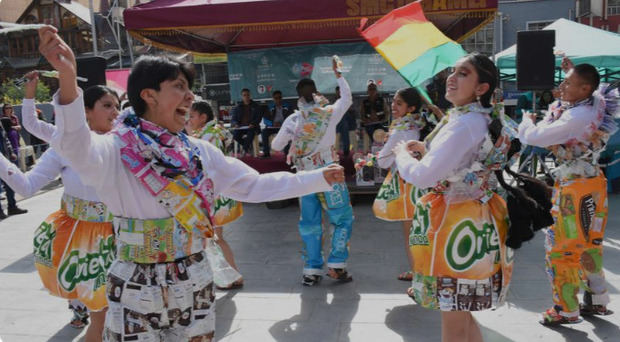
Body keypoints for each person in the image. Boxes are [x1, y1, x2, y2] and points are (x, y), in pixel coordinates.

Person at [38, 25, 345, 341]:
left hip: (195, 277)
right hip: (134, 282)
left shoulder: (199, 151)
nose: (190, 97)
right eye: (179, 87)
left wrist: (316, 178)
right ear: (149, 95)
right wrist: (67, 79)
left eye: (190, 89)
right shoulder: (114, 149)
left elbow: (252, 186)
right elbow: (75, 146)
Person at [393, 53, 514, 342]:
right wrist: (425, 147)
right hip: (468, 217)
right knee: (461, 306)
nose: (451, 77)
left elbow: (422, 176)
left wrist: (400, 155)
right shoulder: (473, 117)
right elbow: (458, 158)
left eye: (463, 73)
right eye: (453, 71)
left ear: (481, 88)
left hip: (456, 223)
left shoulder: (464, 123)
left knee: (454, 309)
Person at [4, 71, 119, 341]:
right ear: (84, 112)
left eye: (117, 105)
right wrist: (30, 95)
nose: (115, 112)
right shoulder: (64, 144)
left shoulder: (125, 142)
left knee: (124, 317)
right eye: (107, 105)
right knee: (101, 319)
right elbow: (27, 185)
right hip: (86, 247)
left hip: (126, 239)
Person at [518, 59, 616, 325]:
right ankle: (597, 299)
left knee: (563, 247)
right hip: (594, 183)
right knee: (590, 243)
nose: (562, 87)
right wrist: (570, 72)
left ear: (584, 88)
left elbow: (534, 137)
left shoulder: (576, 116)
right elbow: (588, 87)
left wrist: (527, 121)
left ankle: (566, 309)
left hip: (574, 189)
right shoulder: (595, 102)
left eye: (568, 83)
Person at [271, 57, 354, 286]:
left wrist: (294, 139)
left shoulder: (294, 119)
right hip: (330, 172)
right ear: (317, 92)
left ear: (298, 96)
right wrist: (339, 75)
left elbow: (276, 147)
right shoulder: (329, 113)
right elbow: (346, 98)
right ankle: (337, 266)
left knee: (310, 222)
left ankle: (311, 270)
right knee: (341, 218)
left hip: (305, 176)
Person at [187, 100, 244, 289]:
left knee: (216, 238)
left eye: (192, 116)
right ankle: (229, 275)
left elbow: (203, 165)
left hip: (216, 195)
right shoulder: (212, 131)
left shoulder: (209, 135)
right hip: (217, 192)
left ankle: (234, 275)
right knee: (214, 238)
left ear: (203, 117)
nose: (189, 119)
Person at [373, 88, 426, 283]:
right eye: (393, 102)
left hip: (406, 184)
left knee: (411, 233)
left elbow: (382, 162)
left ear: (410, 108)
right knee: (419, 231)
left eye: (399, 103)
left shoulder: (400, 130)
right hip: (419, 182)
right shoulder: (415, 125)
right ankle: (419, 271)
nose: (393, 106)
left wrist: (385, 146)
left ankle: (419, 277)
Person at [0, 107, 27, 218]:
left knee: (10, 182)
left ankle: (12, 207)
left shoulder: (1, 123)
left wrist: (11, 152)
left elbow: (5, 138)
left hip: (5, 158)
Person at [231, 88, 262, 155]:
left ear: (250, 95)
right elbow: (233, 119)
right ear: (242, 96)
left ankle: (244, 149)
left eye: (248, 95)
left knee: (251, 134)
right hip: (241, 127)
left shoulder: (256, 106)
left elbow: (259, 118)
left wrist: (253, 123)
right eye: (244, 95)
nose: (246, 97)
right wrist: (236, 124)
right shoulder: (238, 107)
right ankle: (248, 146)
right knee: (235, 135)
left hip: (252, 127)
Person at [261, 90, 291, 158]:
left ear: (281, 98)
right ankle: (266, 153)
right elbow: (265, 119)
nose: (278, 100)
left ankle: (286, 154)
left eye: (279, 97)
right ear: (273, 99)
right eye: (276, 98)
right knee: (264, 132)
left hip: (283, 127)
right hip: (272, 127)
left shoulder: (287, 106)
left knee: (287, 132)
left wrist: (283, 124)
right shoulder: (270, 107)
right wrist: (272, 124)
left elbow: (291, 118)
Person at [335, 86, 357, 156]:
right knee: (343, 121)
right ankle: (346, 150)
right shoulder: (335, 101)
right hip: (341, 123)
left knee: (344, 119)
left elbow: (353, 111)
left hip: (349, 123)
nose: (339, 94)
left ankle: (345, 150)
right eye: (338, 92)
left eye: (340, 92)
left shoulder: (349, 100)